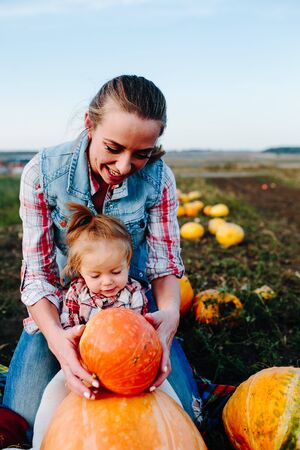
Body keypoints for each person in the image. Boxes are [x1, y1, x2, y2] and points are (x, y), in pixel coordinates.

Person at [3, 74, 201, 443]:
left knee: (191, 418)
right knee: (25, 428)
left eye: (141, 153)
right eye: (113, 147)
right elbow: (38, 275)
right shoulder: (42, 174)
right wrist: (58, 341)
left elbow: (163, 266)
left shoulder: (160, 179)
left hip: (133, 311)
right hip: (66, 312)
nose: (125, 166)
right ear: (89, 125)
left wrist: (169, 319)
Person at [29, 203, 181, 449]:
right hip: (87, 362)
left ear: (128, 263)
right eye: (96, 276)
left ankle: (184, 432)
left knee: (167, 390)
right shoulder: (75, 295)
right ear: (80, 271)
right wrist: (76, 353)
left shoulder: (133, 293)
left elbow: (139, 332)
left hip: (130, 364)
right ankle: (39, 444)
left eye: (115, 271)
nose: (108, 282)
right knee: (53, 394)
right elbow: (69, 330)